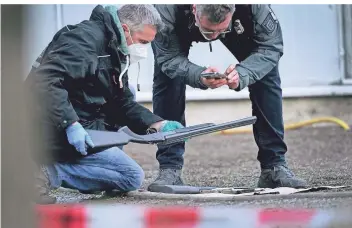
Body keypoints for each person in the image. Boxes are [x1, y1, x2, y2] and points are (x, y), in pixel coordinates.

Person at [24, 4, 184, 204]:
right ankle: (44, 171)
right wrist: (71, 125)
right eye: (142, 42)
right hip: (50, 127)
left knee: (129, 94)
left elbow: (121, 101)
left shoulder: (115, 48)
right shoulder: (84, 41)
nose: (143, 49)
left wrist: (157, 124)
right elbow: (46, 83)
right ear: (125, 29)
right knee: (131, 177)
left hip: (83, 120)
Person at [149, 4, 308, 190]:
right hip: (181, 21)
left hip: (234, 22)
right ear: (194, 9)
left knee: (265, 72)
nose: (215, 36)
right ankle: (169, 170)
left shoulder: (254, 6)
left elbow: (270, 47)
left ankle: (274, 167)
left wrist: (244, 72)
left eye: (221, 30)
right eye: (209, 31)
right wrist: (198, 75)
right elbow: (168, 58)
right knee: (167, 75)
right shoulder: (166, 8)